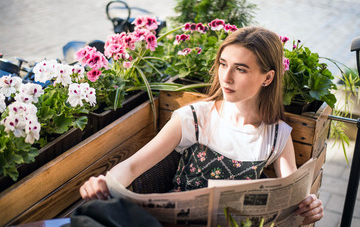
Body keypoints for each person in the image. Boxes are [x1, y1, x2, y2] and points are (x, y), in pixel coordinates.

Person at [79, 26, 324, 225]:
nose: (226, 77)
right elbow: (133, 165)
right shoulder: (194, 117)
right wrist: (104, 183)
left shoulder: (276, 135)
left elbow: (294, 196)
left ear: (268, 78)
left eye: (240, 69)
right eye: (223, 64)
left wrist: (309, 208)